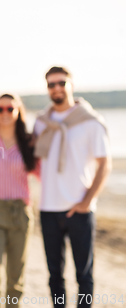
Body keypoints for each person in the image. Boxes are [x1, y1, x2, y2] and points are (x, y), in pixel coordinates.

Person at [33, 66, 112, 308]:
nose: (56, 88)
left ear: (71, 85)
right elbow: (36, 163)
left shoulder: (90, 122)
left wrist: (86, 201)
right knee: (54, 275)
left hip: (79, 209)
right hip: (48, 208)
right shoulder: (41, 123)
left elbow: (104, 165)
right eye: (51, 84)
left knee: (84, 275)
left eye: (61, 83)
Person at [0, 93, 39, 308]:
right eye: (0, 109)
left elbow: (42, 173)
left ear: (18, 112)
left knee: (16, 278)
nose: (5, 113)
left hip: (20, 213)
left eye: (10, 109)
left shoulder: (29, 141)